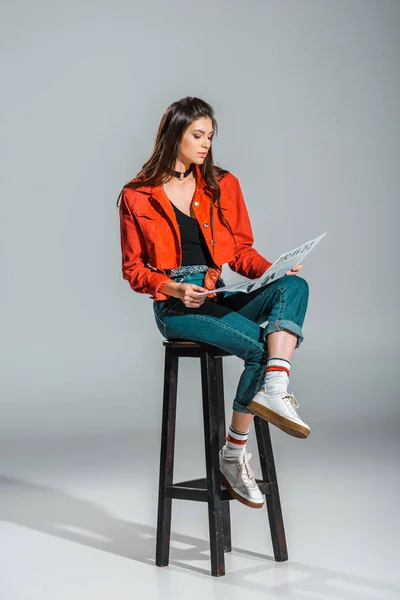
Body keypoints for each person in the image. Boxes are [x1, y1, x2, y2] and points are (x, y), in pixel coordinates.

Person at [118, 96, 310, 510]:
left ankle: (275, 389)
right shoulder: (137, 195)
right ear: (176, 135)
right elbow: (134, 269)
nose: (205, 145)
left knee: (294, 289)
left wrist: (275, 269)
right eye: (197, 135)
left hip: (216, 292)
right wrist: (174, 290)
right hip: (176, 306)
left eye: (209, 136)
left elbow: (241, 251)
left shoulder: (222, 184)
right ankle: (233, 455)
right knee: (260, 347)